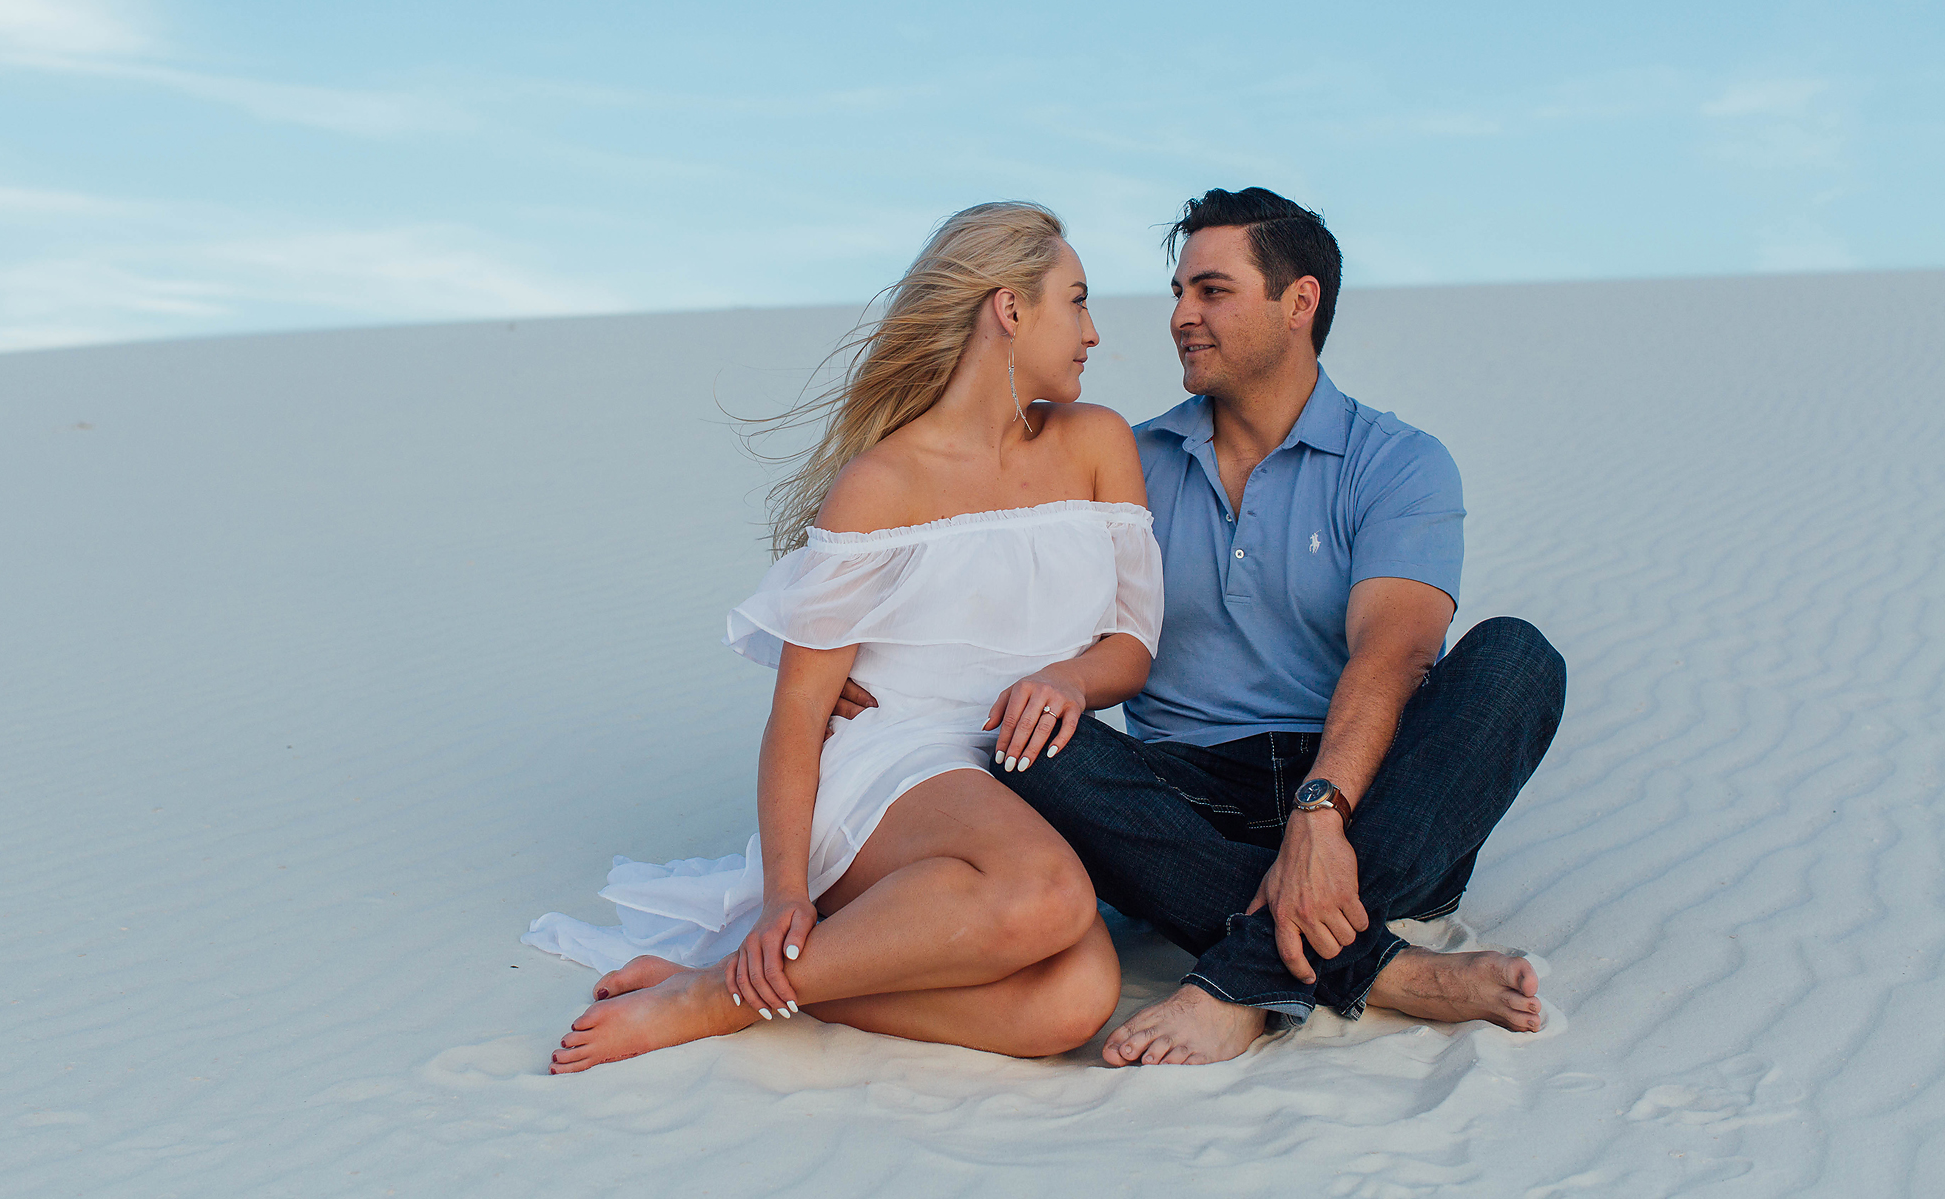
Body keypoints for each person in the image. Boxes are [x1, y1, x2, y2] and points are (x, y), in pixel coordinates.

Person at [523, 202, 1164, 1072]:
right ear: (1009, 310)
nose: (1092, 332)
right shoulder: (882, 483)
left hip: (1023, 771)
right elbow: (798, 715)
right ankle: (714, 999)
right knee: (1047, 892)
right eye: (1077, 301)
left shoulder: (1099, 443)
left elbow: (1132, 642)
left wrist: (1070, 681)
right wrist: (786, 892)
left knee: (1073, 998)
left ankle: (741, 983)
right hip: (889, 765)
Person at [972, 187, 1565, 1065]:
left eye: (1211, 291)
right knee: (1025, 741)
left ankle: (1243, 974)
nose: (1181, 316)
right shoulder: (1127, 459)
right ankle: (1384, 969)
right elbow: (995, 578)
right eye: (1178, 292)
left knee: (1518, 658)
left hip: (1374, 799)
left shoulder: (1397, 462)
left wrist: (1320, 815)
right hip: (1192, 801)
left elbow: (1394, 653)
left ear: (1300, 303)